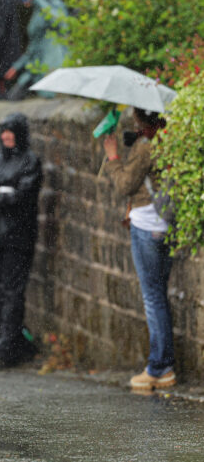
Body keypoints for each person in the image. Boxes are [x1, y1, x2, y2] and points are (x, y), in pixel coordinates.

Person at [102, 108, 175, 390]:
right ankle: (162, 364)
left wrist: (112, 156)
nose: (133, 123)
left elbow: (125, 184)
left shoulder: (147, 148)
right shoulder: (168, 141)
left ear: (145, 121)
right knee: (159, 295)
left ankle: (159, 367)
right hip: (165, 226)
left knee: (153, 298)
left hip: (146, 225)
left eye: (136, 119)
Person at [0, 113, 42, 366]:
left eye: (12, 133)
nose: (7, 137)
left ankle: (8, 347)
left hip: (17, 237)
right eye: (4, 132)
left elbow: (23, 195)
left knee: (13, 292)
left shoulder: (30, 161)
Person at [4, 0, 68, 100]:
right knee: (12, 98)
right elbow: (34, 44)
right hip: (35, 67)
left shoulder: (56, 6)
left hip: (52, 67)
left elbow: (60, 23)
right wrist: (17, 66)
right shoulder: (37, 13)